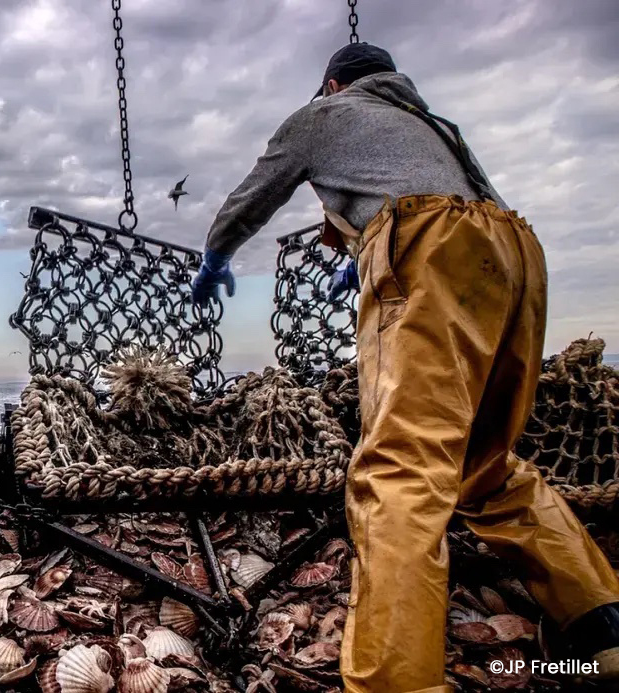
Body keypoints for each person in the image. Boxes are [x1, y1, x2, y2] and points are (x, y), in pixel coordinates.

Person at [190, 44, 619, 692]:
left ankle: (397, 681)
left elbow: (257, 193)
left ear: (333, 84)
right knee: (487, 466)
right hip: (516, 256)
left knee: (400, 469)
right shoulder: (432, 125)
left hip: (435, 249)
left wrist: (217, 254)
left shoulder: (325, 114)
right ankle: (602, 625)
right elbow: (442, 202)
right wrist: (366, 251)